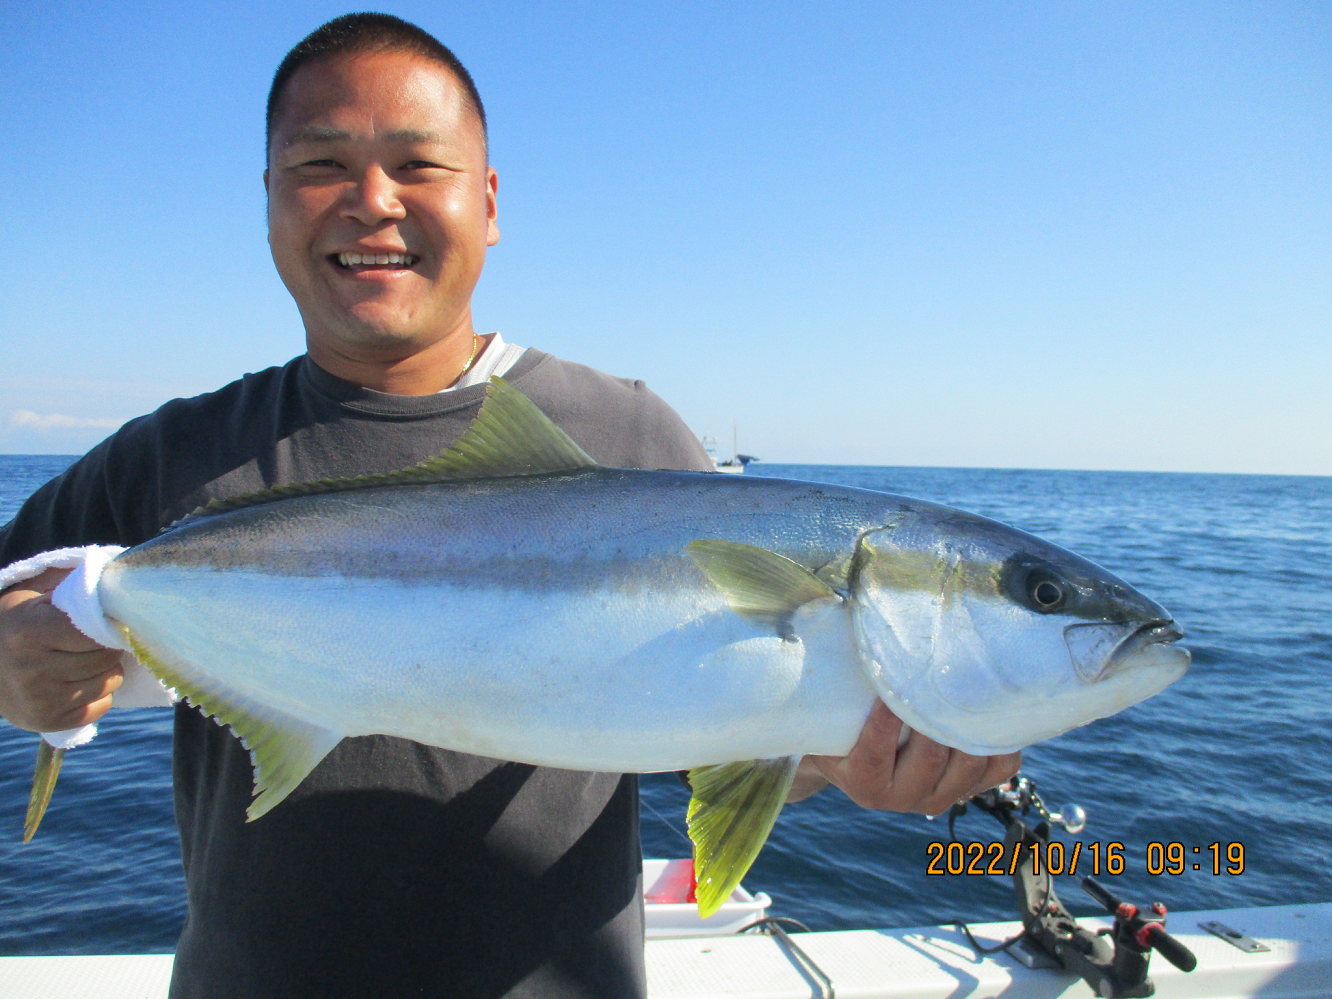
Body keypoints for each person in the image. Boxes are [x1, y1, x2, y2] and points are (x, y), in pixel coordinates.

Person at [0, 14, 1020, 999]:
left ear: (488, 203)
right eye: (320, 166)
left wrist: (836, 758)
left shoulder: (627, 437)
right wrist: (13, 666)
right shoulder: (171, 456)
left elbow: (718, 731)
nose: (371, 201)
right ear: (268, 200)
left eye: (418, 165)